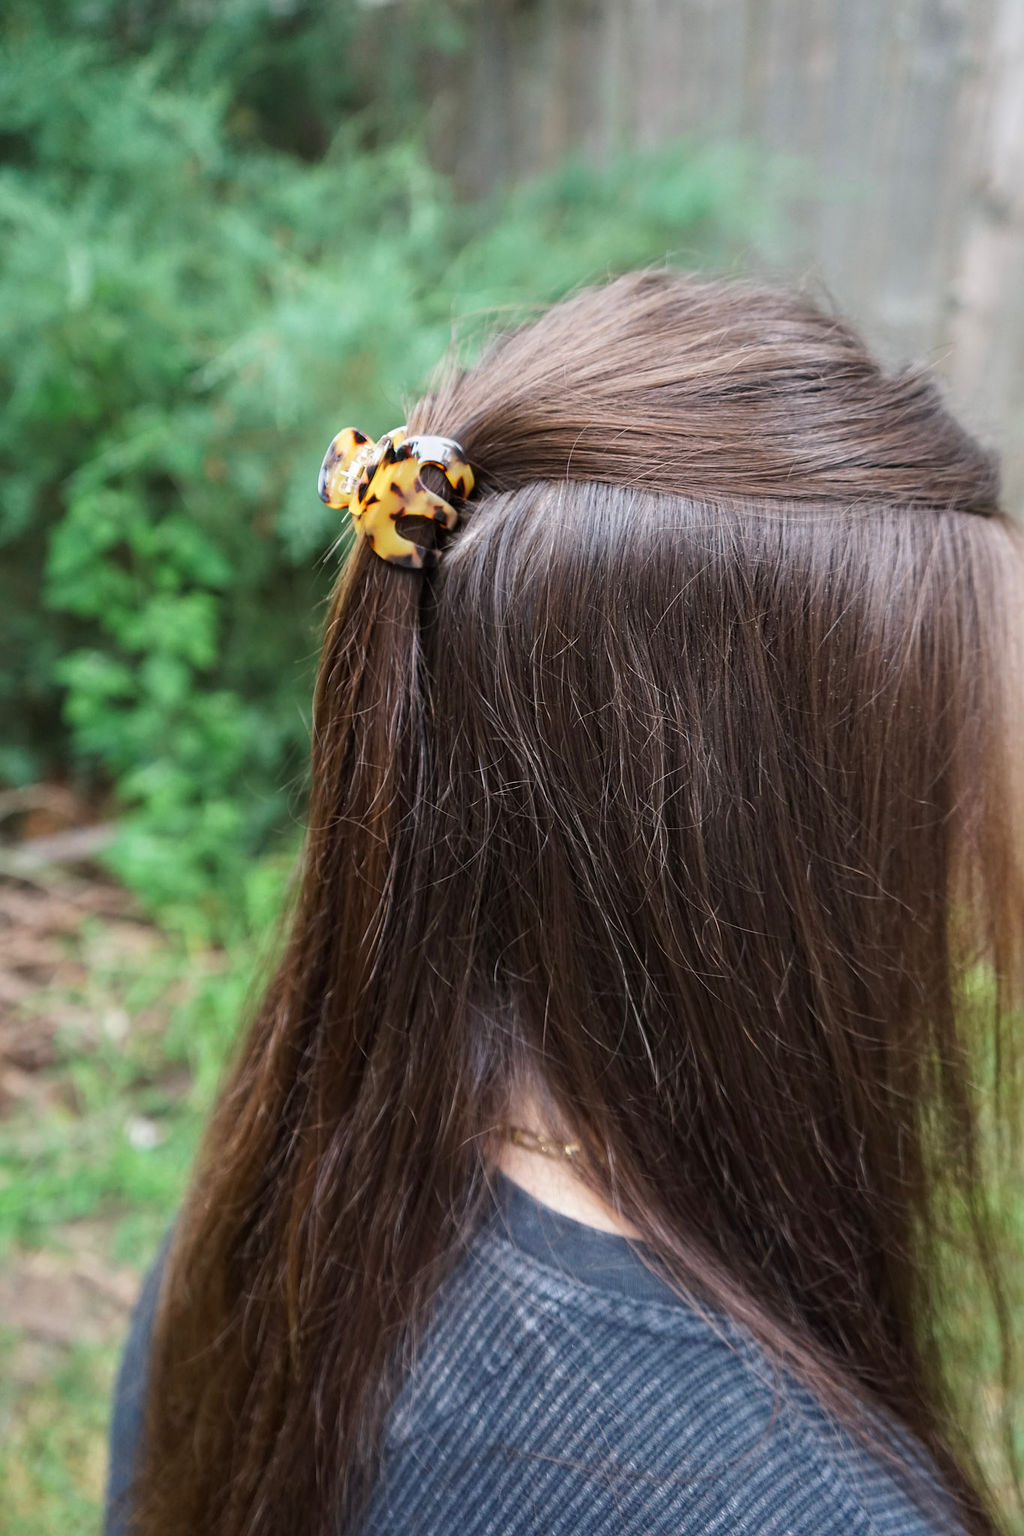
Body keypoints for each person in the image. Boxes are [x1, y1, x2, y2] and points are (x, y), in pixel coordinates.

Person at [105, 268, 1024, 1536]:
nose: (992, 821)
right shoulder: (800, 1505)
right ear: (772, 842)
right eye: (960, 747)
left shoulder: (282, 1215)